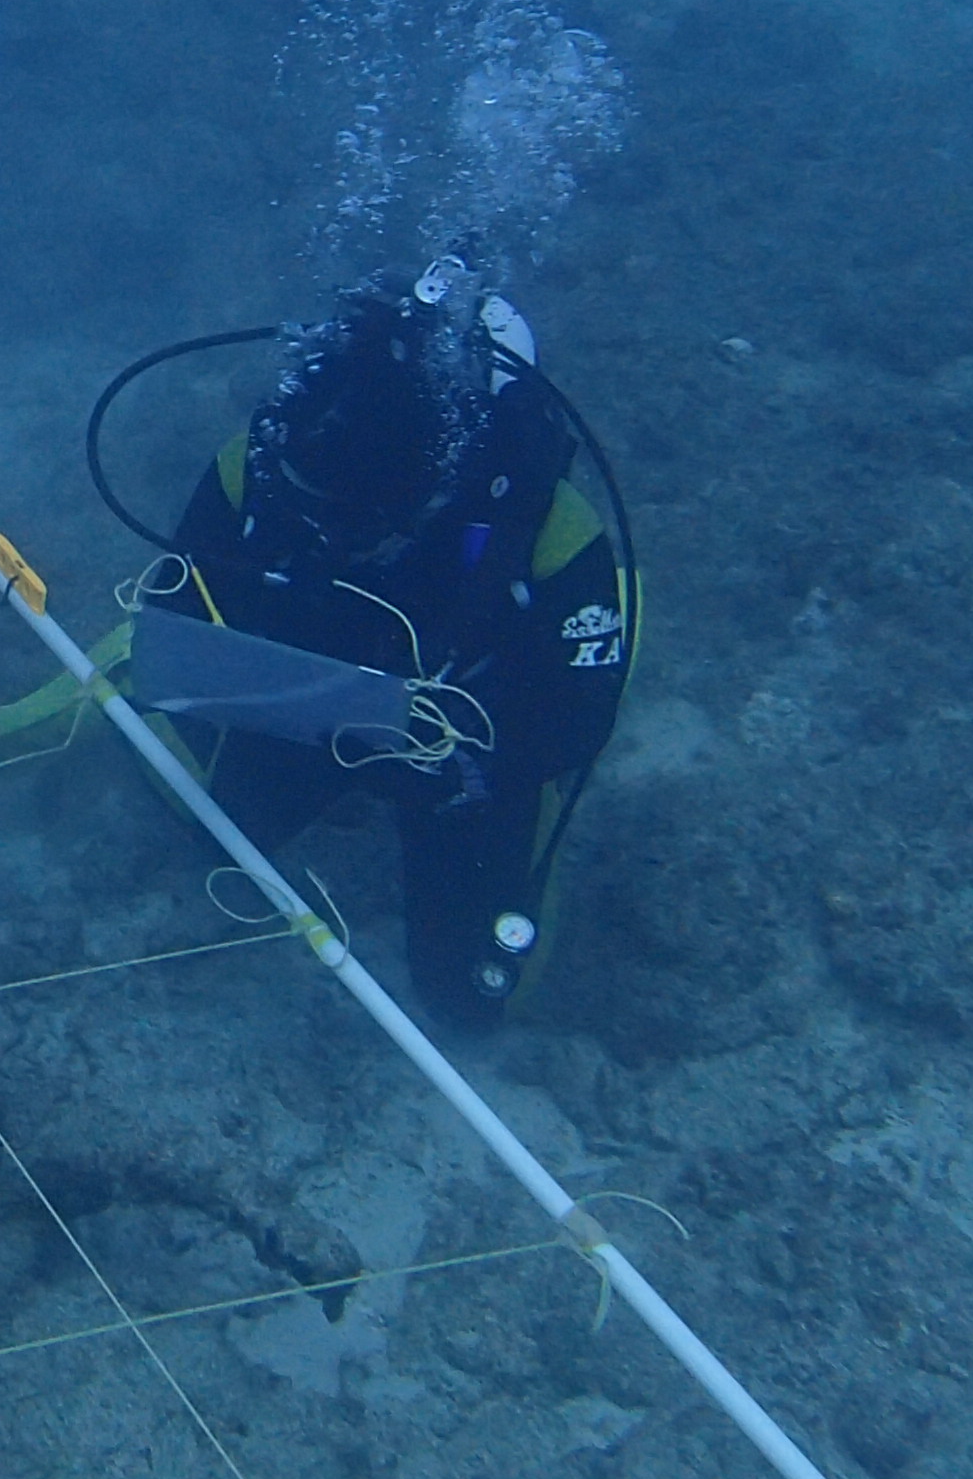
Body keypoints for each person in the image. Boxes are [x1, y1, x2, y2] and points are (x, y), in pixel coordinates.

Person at [103, 263, 633, 1023]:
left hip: (462, 758)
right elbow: (180, 603)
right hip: (300, 711)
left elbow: (581, 717)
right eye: (314, 511)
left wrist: (463, 763)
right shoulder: (259, 468)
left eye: (359, 529)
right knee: (208, 834)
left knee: (473, 999)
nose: (335, 543)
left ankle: (623, 619)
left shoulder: (546, 529)